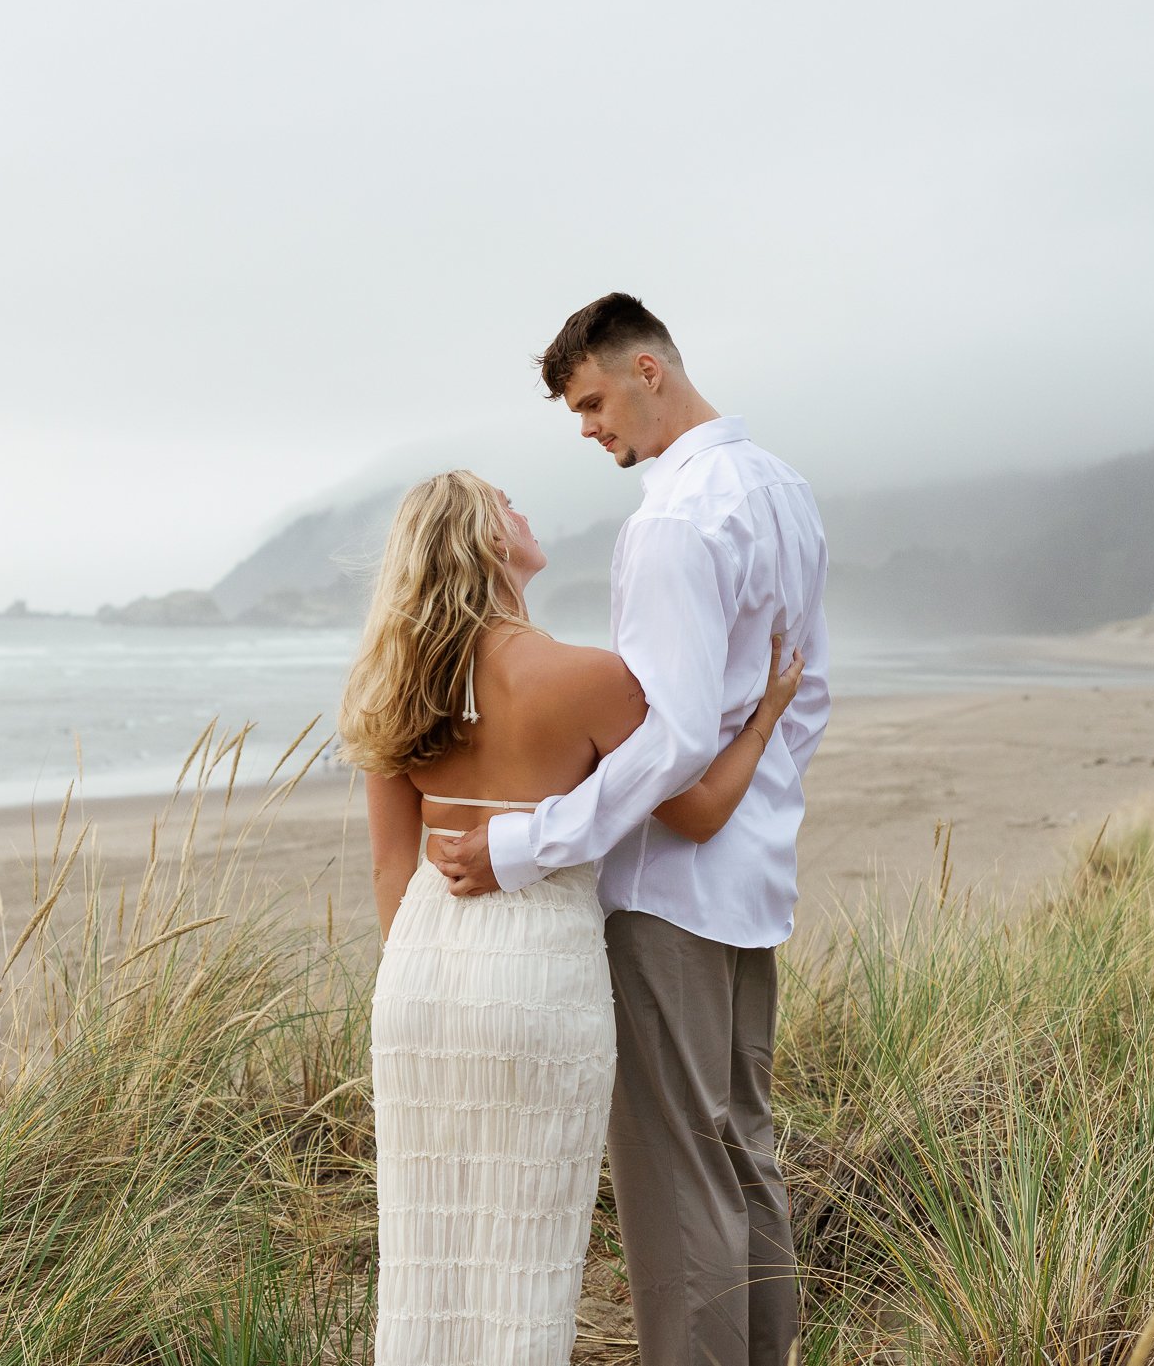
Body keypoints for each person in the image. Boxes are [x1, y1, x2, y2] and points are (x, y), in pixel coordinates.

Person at [435, 293, 832, 1366]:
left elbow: (665, 739)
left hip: (667, 895)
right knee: (744, 1151)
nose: (588, 427)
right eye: (575, 410)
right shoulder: (784, 491)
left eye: (595, 399)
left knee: (676, 1182)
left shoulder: (672, 520)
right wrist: (750, 812)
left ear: (650, 368)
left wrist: (526, 844)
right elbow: (807, 695)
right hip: (751, 882)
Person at [337, 469, 804, 1366]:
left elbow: (392, 867)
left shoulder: (394, 685)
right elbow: (698, 811)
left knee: (428, 1258)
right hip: (536, 968)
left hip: (422, 976)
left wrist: (433, 977)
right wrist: (765, 716)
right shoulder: (589, 678)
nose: (525, 509)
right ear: (485, 542)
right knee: (527, 1259)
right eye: (506, 503)